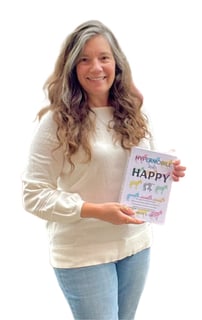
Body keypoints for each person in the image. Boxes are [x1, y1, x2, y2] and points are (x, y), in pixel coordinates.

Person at [22, 20, 186, 320]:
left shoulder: (132, 110)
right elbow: (33, 195)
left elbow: (141, 164)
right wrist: (94, 210)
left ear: (116, 62)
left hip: (136, 244)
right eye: (84, 59)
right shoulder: (56, 122)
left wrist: (165, 168)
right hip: (84, 252)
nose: (95, 67)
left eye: (104, 57)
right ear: (72, 68)